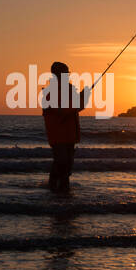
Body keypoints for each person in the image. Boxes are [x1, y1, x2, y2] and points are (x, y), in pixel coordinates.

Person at [41, 61, 90, 192]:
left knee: (66, 164)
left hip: (70, 134)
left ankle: (61, 189)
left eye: (67, 73)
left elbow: (77, 107)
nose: (67, 76)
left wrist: (83, 97)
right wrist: (82, 98)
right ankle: (55, 187)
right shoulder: (50, 92)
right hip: (58, 134)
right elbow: (64, 109)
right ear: (56, 74)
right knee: (62, 162)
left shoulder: (68, 89)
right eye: (65, 73)